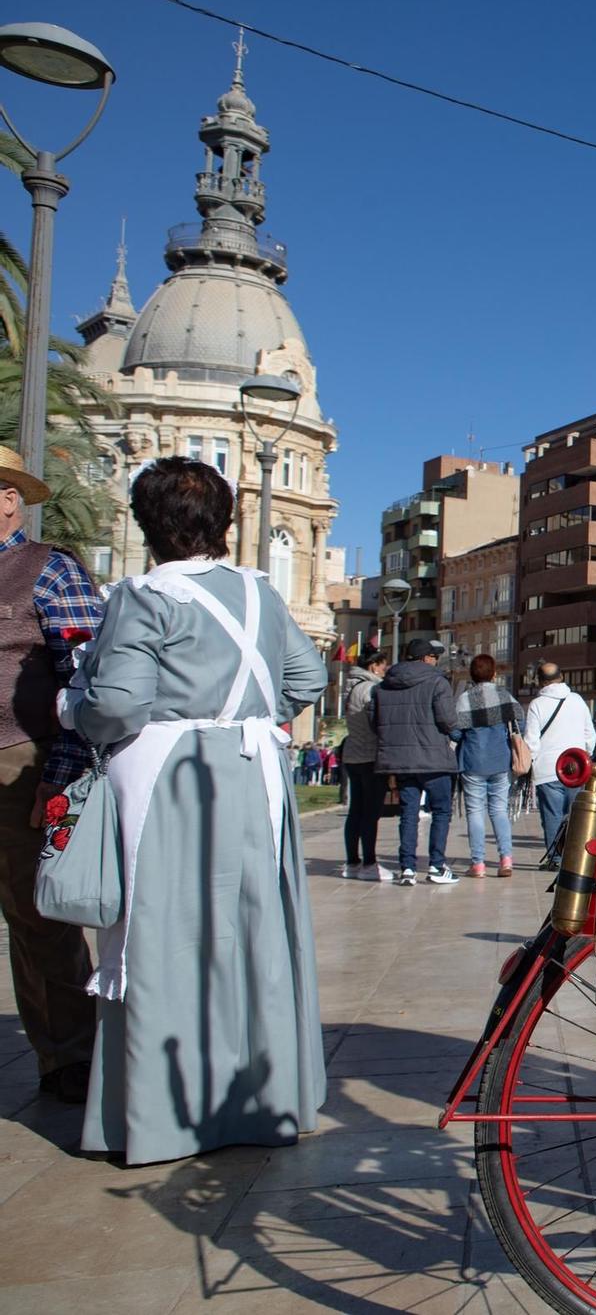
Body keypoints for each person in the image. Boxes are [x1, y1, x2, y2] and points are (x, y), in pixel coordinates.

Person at [61, 456, 325, 1163]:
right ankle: (265, 1102)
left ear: (146, 525)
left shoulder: (140, 597)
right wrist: (249, 714)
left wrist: (74, 706)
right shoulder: (258, 592)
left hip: (167, 775)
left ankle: (162, 1117)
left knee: (163, 936)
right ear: (225, 525)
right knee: (254, 930)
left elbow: (115, 702)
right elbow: (308, 674)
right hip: (255, 772)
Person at [0, 446, 100, 1105]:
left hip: (18, 758)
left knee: (37, 916)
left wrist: (58, 779)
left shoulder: (47, 570)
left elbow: (87, 679)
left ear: (12, 500)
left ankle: (70, 1054)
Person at [374, 638, 459, 886]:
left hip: (401, 761)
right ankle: (436, 865)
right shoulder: (437, 682)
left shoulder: (384, 685)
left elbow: (375, 721)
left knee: (408, 813)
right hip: (434, 759)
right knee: (441, 811)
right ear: (425, 659)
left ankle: (407, 868)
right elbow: (448, 720)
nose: (436, 661)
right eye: (434, 657)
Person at [455, 653, 522, 878]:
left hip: (473, 761)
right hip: (500, 761)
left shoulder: (465, 698)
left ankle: (479, 864)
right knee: (499, 810)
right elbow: (519, 721)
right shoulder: (503, 695)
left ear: (472, 675)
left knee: (475, 812)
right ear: (494, 674)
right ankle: (506, 860)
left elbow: (455, 733)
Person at [524, 661, 596, 853]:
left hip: (548, 769)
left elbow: (531, 741)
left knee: (552, 816)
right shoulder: (578, 700)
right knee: (574, 816)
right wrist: (586, 755)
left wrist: (530, 764)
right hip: (576, 767)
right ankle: (574, 857)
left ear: (540, 681)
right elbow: (590, 734)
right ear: (561, 677)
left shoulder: (536, 705)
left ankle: (555, 857)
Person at [340, 649, 392, 880]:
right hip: (370, 755)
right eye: (383, 666)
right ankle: (369, 862)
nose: (385, 670)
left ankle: (352, 861)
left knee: (356, 810)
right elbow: (377, 723)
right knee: (371, 813)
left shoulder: (351, 686)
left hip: (352, 754)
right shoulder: (371, 689)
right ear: (373, 666)